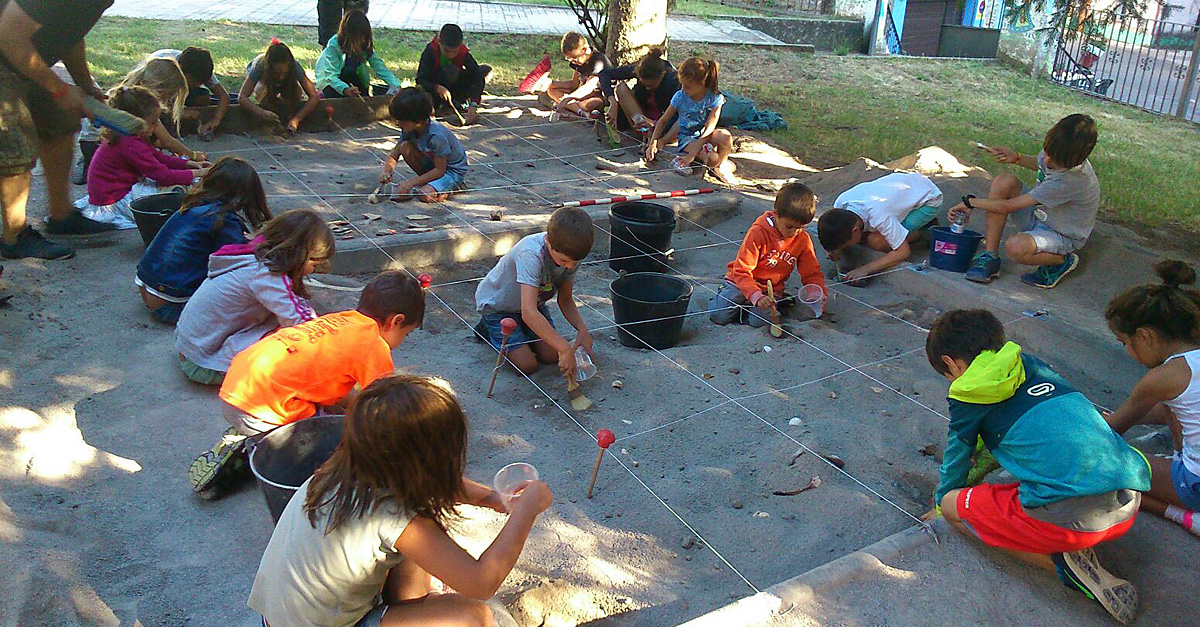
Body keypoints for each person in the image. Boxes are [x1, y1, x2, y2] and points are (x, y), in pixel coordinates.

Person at [249, 374, 552, 627]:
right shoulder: (392, 515)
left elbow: (426, 483)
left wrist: (490, 498)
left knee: (418, 549)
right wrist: (525, 511)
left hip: (278, 619)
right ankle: (416, 608)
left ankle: (414, 605)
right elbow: (481, 583)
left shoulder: (342, 467)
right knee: (473, 615)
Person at [923, 309, 1150, 624]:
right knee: (1023, 483)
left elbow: (957, 456)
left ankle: (1064, 568)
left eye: (947, 374)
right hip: (1129, 500)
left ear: (952, 363)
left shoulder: (968, 392)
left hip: (1074, 523)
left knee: (952, 508)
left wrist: (942, 501)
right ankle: (1061, 541)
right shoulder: (1030, 364)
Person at [189, 270, 423, 499]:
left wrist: (350, 404)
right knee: (336, 446)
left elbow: (324, 383)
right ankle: (258, 448)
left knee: (332, 406)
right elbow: (384, 405)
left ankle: (256, 437)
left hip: (238, 388)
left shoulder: (339, 320)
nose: (403, 341)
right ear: (396, 321)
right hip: (259, 407)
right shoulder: (374, 345)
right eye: (407, 334)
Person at [0, 0, 119, 261]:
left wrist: (84, 84)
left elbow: (69, 34)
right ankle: (14, 237)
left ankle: (61, 215)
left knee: (61, 120)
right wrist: (59, 89)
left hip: (19, 51)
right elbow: (8, 33)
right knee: (15, 144)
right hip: (6, 47)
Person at [174, 209, 331, 386]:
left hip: (190, 347)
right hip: (204, 364)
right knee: (292, 348)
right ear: (299, 255)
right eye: (313, 263)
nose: (313, 270)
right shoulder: (267, 277)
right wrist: (332, 339)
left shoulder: (251, 257)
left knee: (278, 324)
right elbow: (301, 322)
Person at [1104, 260, 1200, 536]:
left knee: (1100, 466)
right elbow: (1171, 408)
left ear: (1144, 336)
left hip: (1195, 485)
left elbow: (1110, 433)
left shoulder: (1161, 378)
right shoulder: (1189, 363)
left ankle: (1179, 513)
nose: (1128, 352)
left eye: (1126, 343)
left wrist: (1099, 422)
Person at [949, 113, 1100, 289]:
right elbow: (1040, 164)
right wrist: (1017, 158)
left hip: (1061, 234)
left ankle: (1062, 260)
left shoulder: (1071, 180)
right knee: (1004, 182)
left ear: (1074, 160)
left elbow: (1007, 207)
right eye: (1047, 152)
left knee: (1015, 248)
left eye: (1053, 160)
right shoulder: (1059, 153)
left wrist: (970, 203)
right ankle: (989, 256)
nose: (1046, 159)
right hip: (1041, 215)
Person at [134, 157, 272, 325]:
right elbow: (233, 262)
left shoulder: (193, 204)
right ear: (245, 194)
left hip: (147, 288)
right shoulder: (223, 219)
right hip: (170, 306)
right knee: (254, 304)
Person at [474, 207, 594, 377]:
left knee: (551, 355)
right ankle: (486, 328)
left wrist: (582, 330)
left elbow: (565, 299)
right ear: (548, 241)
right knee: (527, 365)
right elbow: (529, 313)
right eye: (563, 261)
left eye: (575, 262)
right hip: (499, 307)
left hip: (532, 305)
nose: (570, 266)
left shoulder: (572, 256)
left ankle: (523, 334)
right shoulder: (531, 253)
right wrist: (565, 348)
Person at [74, 86, 208, 230]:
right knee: (166, 194)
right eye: (152, 122)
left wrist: (189, 164)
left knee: (169, 182)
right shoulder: (129, 143)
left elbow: (160, 158)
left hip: (117, 191)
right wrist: (197, 173)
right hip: (115, 200)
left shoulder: (130, 137)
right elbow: (162, 175)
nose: (156, 126)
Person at [710, 182, 826, 327]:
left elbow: (812, 273)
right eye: (789, 226)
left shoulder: (802, 239)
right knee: (718, 316)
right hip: (741, 283)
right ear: (776, 214)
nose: (794, 232)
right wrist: (755, 295)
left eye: (800, 228)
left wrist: (816, 292)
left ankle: (749, 309)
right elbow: (742, 270)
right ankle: (731, 296)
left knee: (759, 323)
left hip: (770, 290)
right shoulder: (758, 232)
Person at [816, 172, 943, 285]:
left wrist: (865, 269)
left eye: (845, 245)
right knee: (872, 237)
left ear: (855, 231)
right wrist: (834, 249)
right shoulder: (841, 204)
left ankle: (923, 231)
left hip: (928, 198)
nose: (844, 248)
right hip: (904, 186)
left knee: (877, 242)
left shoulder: (880, 216)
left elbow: (903, 252)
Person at [644, 56, 735, 185]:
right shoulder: (680, 97)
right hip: (687, 137)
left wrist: (692, 154)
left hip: (706, 134)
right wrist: (653, 142)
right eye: (682, 85)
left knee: (725, 137)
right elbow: (663, 120)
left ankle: (722, 165)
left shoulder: (714, 97)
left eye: (687, 86)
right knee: (713, 159)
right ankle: (712, 160)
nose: (683, 89)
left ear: (702, 83)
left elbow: (710, 127)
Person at [379, 87, 468, 203]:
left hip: (451, 171)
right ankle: (431, 183)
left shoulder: (436, 136)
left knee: (425, 195)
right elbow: (395, 153)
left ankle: (449, 188)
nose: (398, 123)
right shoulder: (409, 129)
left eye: (402, 121)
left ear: (419, 120)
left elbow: (440, 170)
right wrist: (387, 171)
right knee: (405, 147)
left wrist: (412, 182)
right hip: (433, 164)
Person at [237, 39, 322, 135]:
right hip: (263, 81)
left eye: (284, 73)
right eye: (277, 73)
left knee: (297, 92)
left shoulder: (295, 65)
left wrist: (297, 119)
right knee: (261, 91)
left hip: (287, 84)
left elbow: (314, 96)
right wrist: (262, 113)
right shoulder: (260, 66)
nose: (281, 77)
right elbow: (242, 97)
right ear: (270, 68)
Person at [416, 23, 492, 126]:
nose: (451, 55)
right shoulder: (431, 51)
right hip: (436, 89)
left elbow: (477, 75)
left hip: (455, 88)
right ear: (439, 42)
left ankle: (458, 102)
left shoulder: (463, 53)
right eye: (447, 51)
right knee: (422, 93)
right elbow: (421, 79)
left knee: (485, 70)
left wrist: (474, 104)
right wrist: (437, 88)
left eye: (455, 51)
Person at [315, 10, 401, 99]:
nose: (363, 40)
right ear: (349, 36)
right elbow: (330, 76)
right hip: (333, 83)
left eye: (364, 36)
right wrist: (345, 89)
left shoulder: (365, 44)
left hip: (355, 78)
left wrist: (394, 84)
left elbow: (380, 67)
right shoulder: (334, 45)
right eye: (359, 37)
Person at [149, 47, 233, 136]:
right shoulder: (162, 70)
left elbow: (223, 96)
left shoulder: (201, 69)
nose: (197, 85)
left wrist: (216, 119)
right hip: (155, 95)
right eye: (194, 82)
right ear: (183, 73)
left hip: (176, 91)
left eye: (200, 83)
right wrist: (179, 112)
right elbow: (149, 103)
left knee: (203, 98)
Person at [598, 46, 679, 133]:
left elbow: (678, 116)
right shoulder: (641, 68)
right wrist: (612, 102)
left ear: (661, 76)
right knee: (621, 88)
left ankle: (650, 132)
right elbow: (605, 74)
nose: (648, 88)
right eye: (645, 85)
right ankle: (640, 128)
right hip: (641, 113)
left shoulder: (673, 82)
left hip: (662, 122)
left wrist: (653, 124)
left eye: (651, 86)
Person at [541, 32, 609, 120]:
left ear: (584, 50)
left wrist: (567, 99)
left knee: (592, 104)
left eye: (574, 58)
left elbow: (589, 87)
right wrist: (551, 83)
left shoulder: (598, 62)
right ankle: (580, 111)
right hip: (581, 97)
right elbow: (573, 84)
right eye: (569, 59)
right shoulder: (578, 62)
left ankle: (574, 106)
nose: (573, 61)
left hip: (599, 96)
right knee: (551, 90)